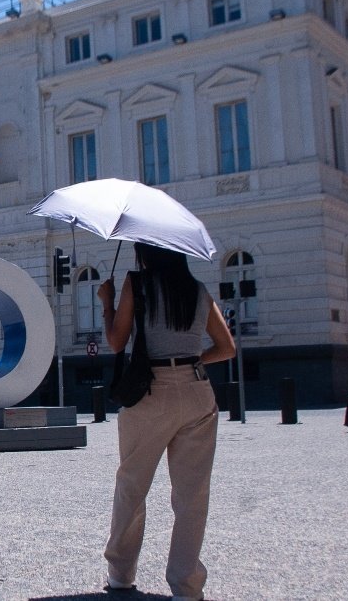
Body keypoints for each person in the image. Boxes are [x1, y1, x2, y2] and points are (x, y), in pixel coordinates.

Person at [96, 243, 235, 600]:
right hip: (196, 390)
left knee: (132, 484)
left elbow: (116, 342)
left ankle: (121, 575)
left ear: (146, 252)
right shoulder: (197, 290)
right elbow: (227, 347)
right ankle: (186, 587)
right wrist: (193, 361)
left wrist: (106, 303)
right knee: (192, 495)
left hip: (150, 393)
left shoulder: (136, 284)